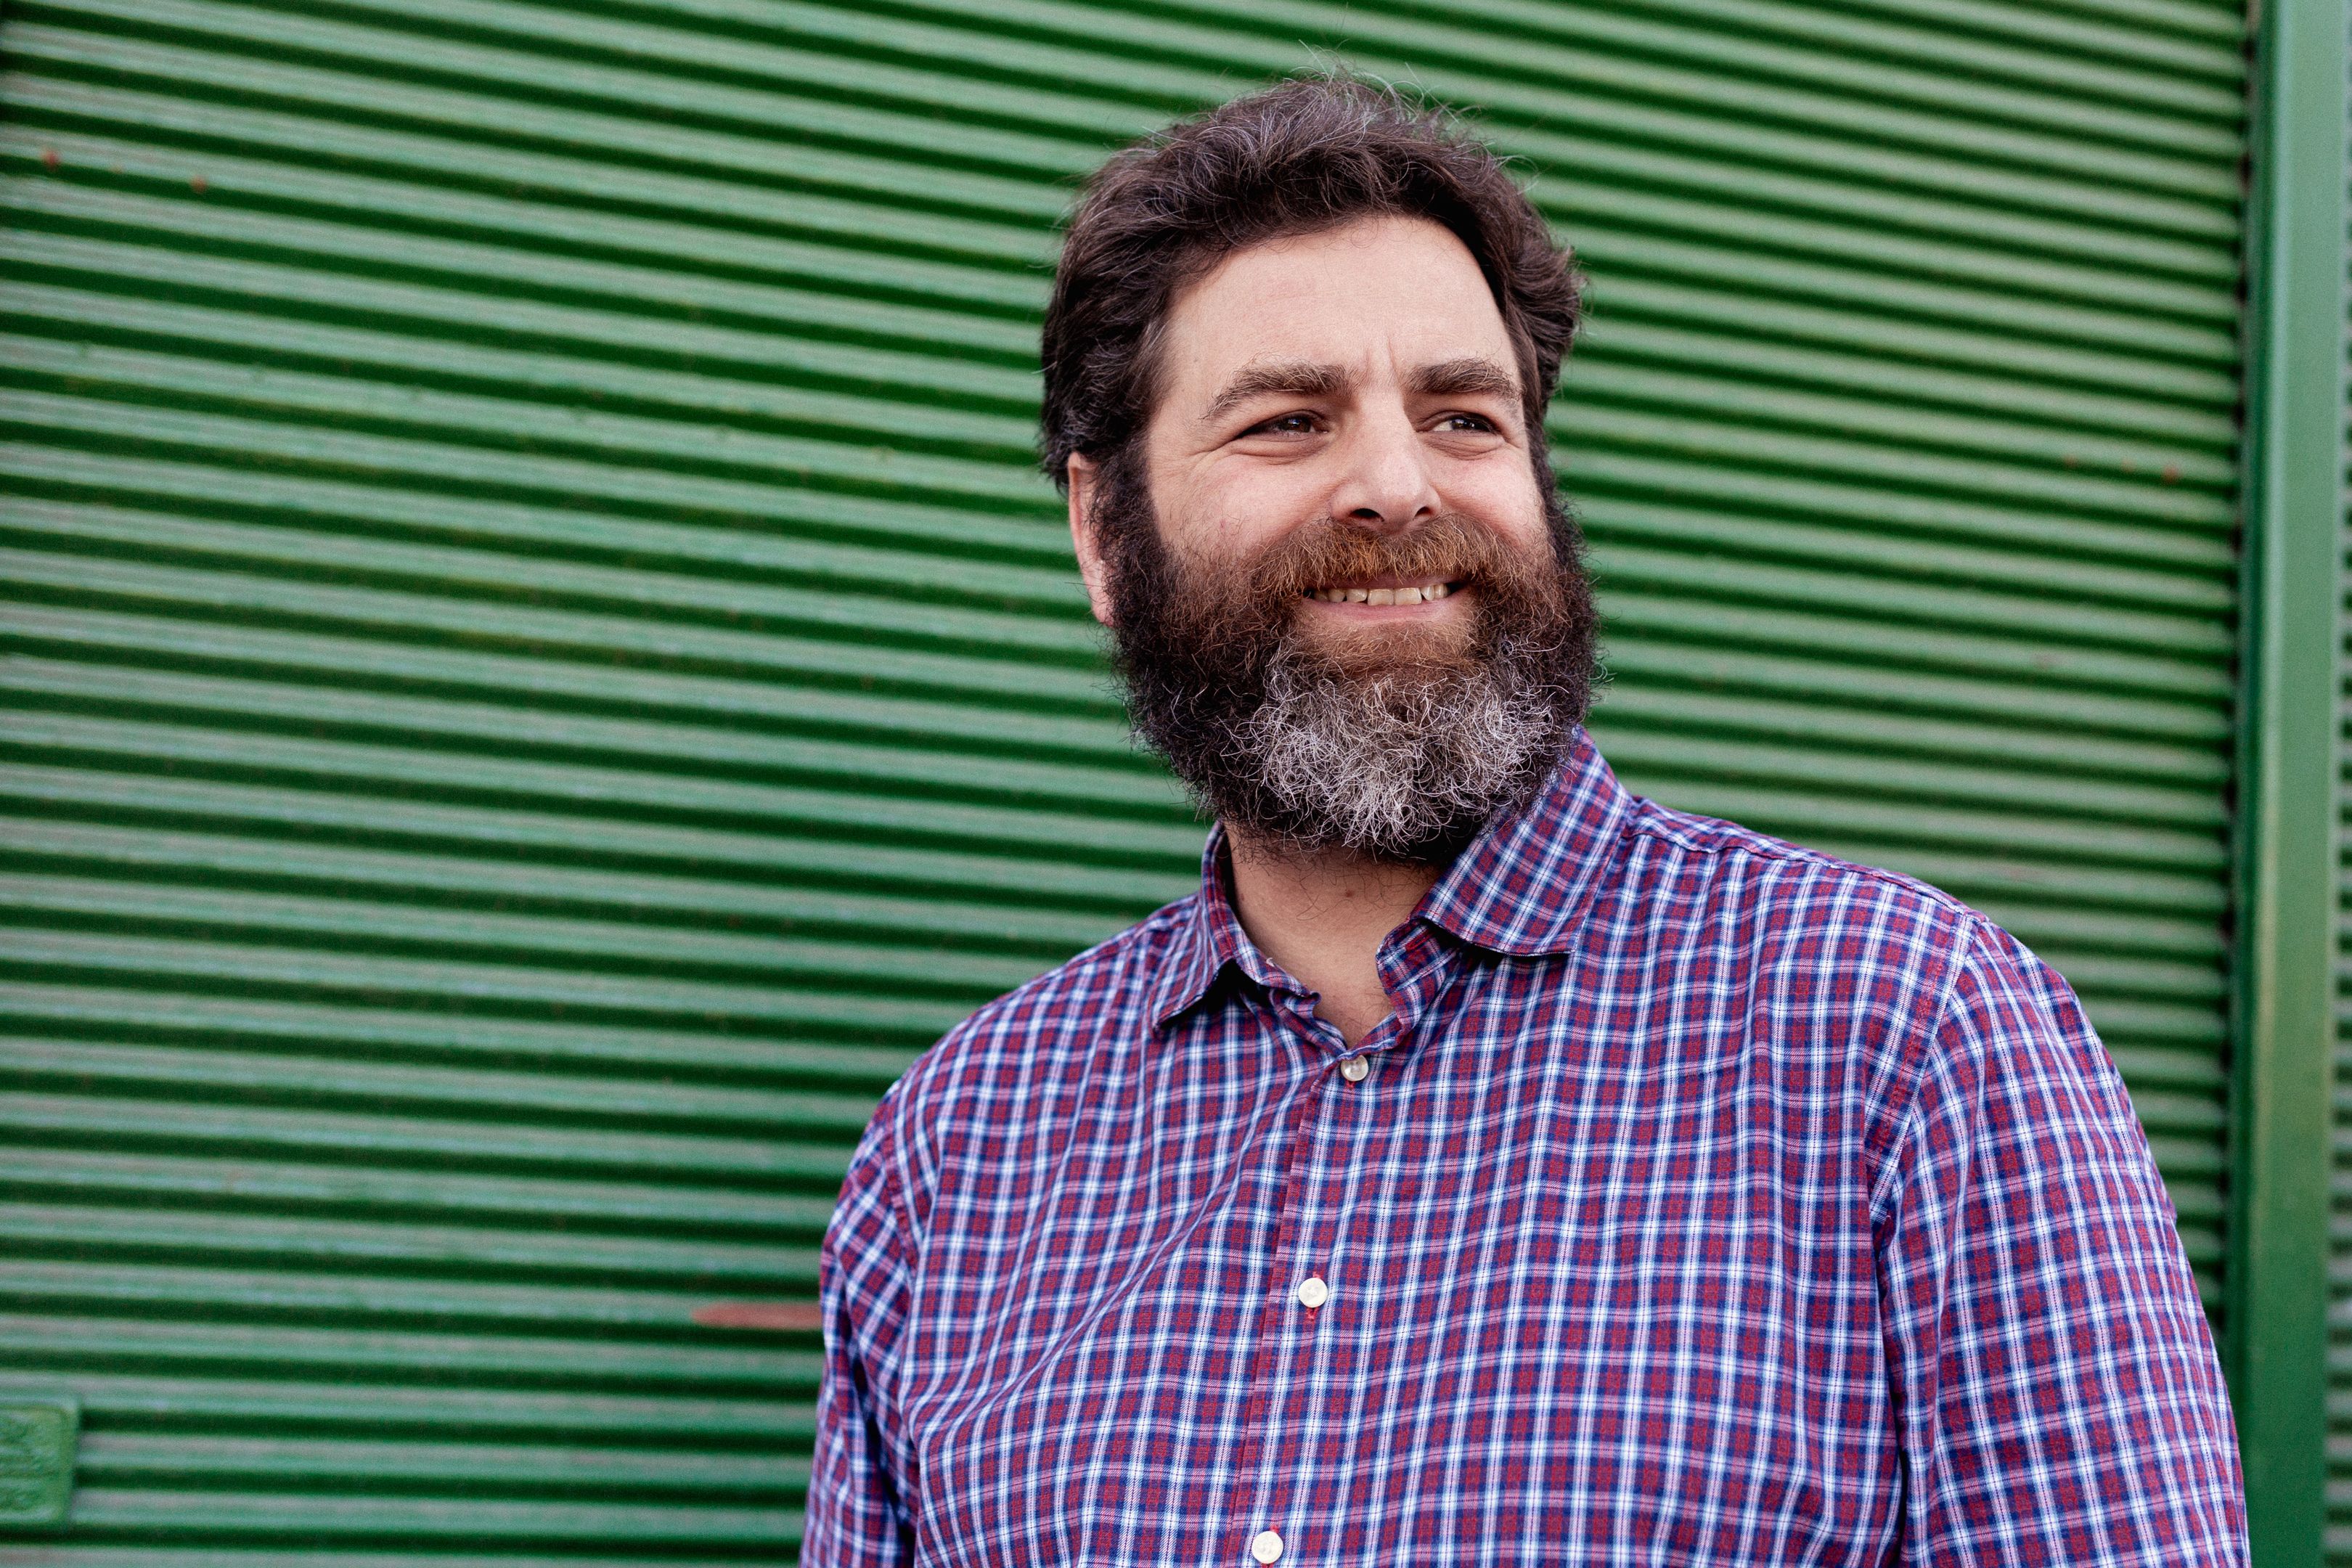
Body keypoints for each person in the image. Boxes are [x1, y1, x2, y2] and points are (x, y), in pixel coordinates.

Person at [806, 75, 2246, 1565]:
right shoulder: (956, 1156)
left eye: (1463, 417)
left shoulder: (1908, 1037)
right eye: (1290, 420)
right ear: (1104, 536)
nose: (1395, 485)